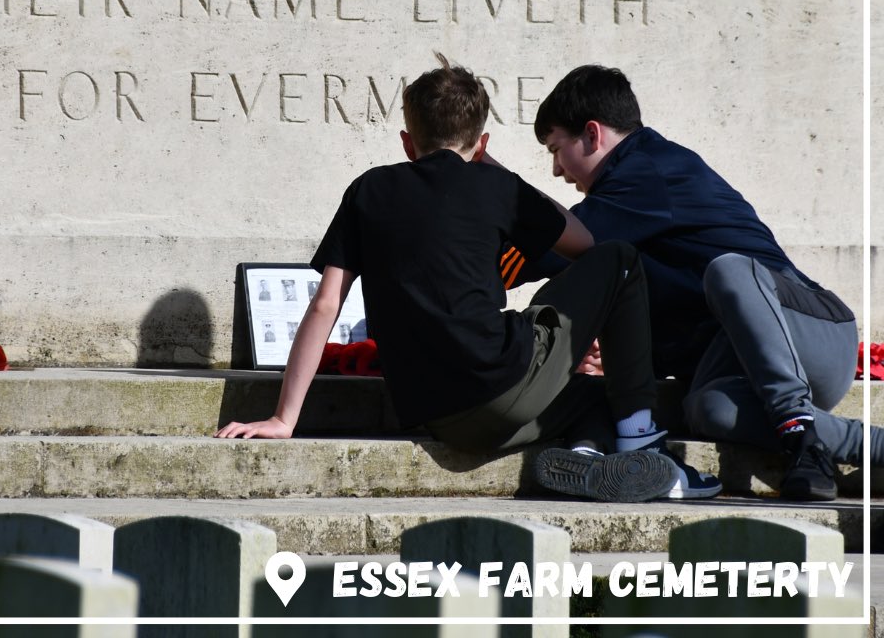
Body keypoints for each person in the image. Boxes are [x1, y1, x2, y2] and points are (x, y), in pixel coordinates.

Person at [216, 55, 720, 503]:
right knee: (622, 259)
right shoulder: (496, 186)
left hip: (437, 414)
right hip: (502, 385)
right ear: (482, 143)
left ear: (407, 142)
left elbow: (326, 304)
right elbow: (587, 246)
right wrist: (501, 177)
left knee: (588, 400)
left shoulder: (368, 190)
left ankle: (585, 455)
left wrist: (284, 419)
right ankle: (640, 440)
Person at [531, 63, 880, 502]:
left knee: (730, 269)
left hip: (816, 334)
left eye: (555, 149)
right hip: (742, 367)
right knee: (706, 409)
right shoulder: (629, 204)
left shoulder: (647, 168)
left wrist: (484, 206)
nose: (557, 170)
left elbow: (549, 245)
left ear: (593, 134)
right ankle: (863, 444)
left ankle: (800, 438)